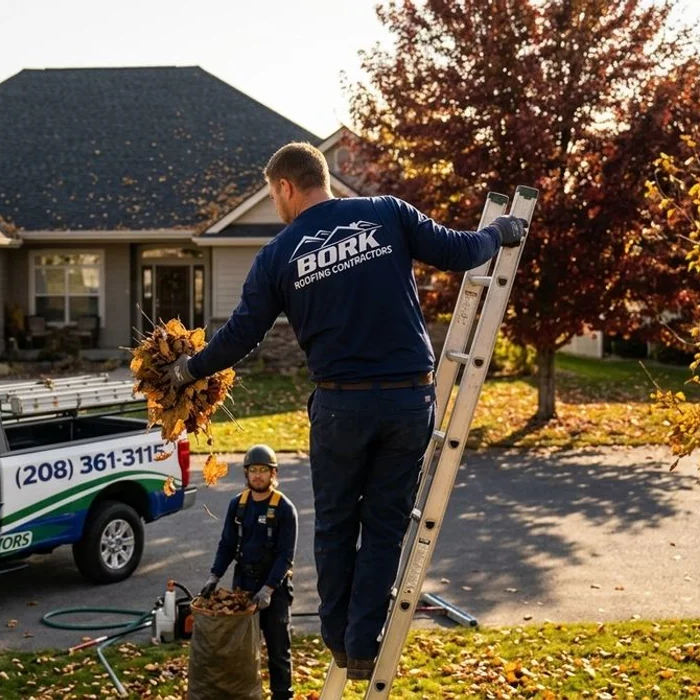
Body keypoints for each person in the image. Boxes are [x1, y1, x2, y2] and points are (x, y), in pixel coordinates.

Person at [174, 142, 527, 681]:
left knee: (337, 525)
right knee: (385, 526)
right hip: (409, 399)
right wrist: (497, 234)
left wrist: (188, 371)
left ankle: (339, 639)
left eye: (274, 196)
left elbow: (242, 335)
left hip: (341, 406)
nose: (276, 206)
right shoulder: (386, 212)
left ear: (287, 187)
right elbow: (460, 251)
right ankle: (364, 645)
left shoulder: (277, 255)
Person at [199, 444, 297, 700]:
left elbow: (286, 556)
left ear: (273, 474)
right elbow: (227, 544)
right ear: (246, 473)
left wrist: (268, 589)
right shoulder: (238, 505)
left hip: (273, 590)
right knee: (239, 647)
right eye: (253, 470)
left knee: (278, 649)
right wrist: (214, 576)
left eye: (264, 470)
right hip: (243, 585)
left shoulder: (285, 509)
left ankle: (282, 695)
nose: (258, 475)